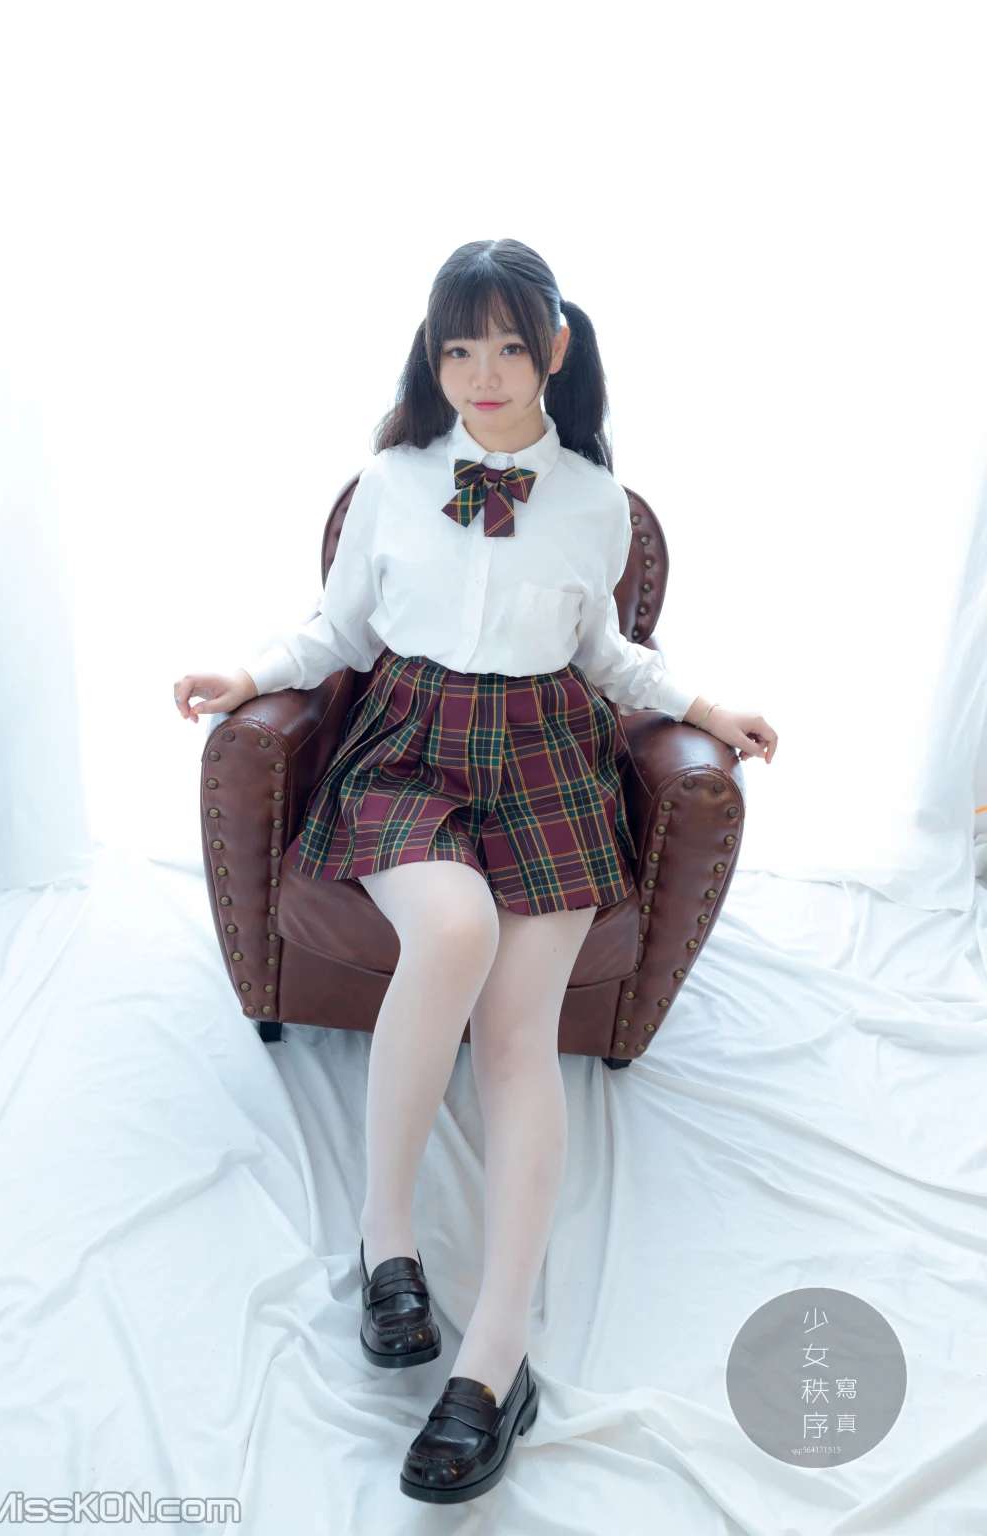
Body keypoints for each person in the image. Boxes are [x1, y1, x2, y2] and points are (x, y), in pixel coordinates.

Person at [173, 238, 778, 1505]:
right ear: (431, 355)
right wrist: (249, 674)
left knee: (515, 1035)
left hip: (547, 754)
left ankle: (496, 1363)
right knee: (451, 931)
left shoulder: (596, 501)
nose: (483, 373)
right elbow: (340, 629)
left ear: (554, 348)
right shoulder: (393, 479)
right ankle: (385, 1240)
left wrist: (704, 707)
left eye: (508, 345)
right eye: (458, 348)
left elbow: (607, 652)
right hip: (407, 742)